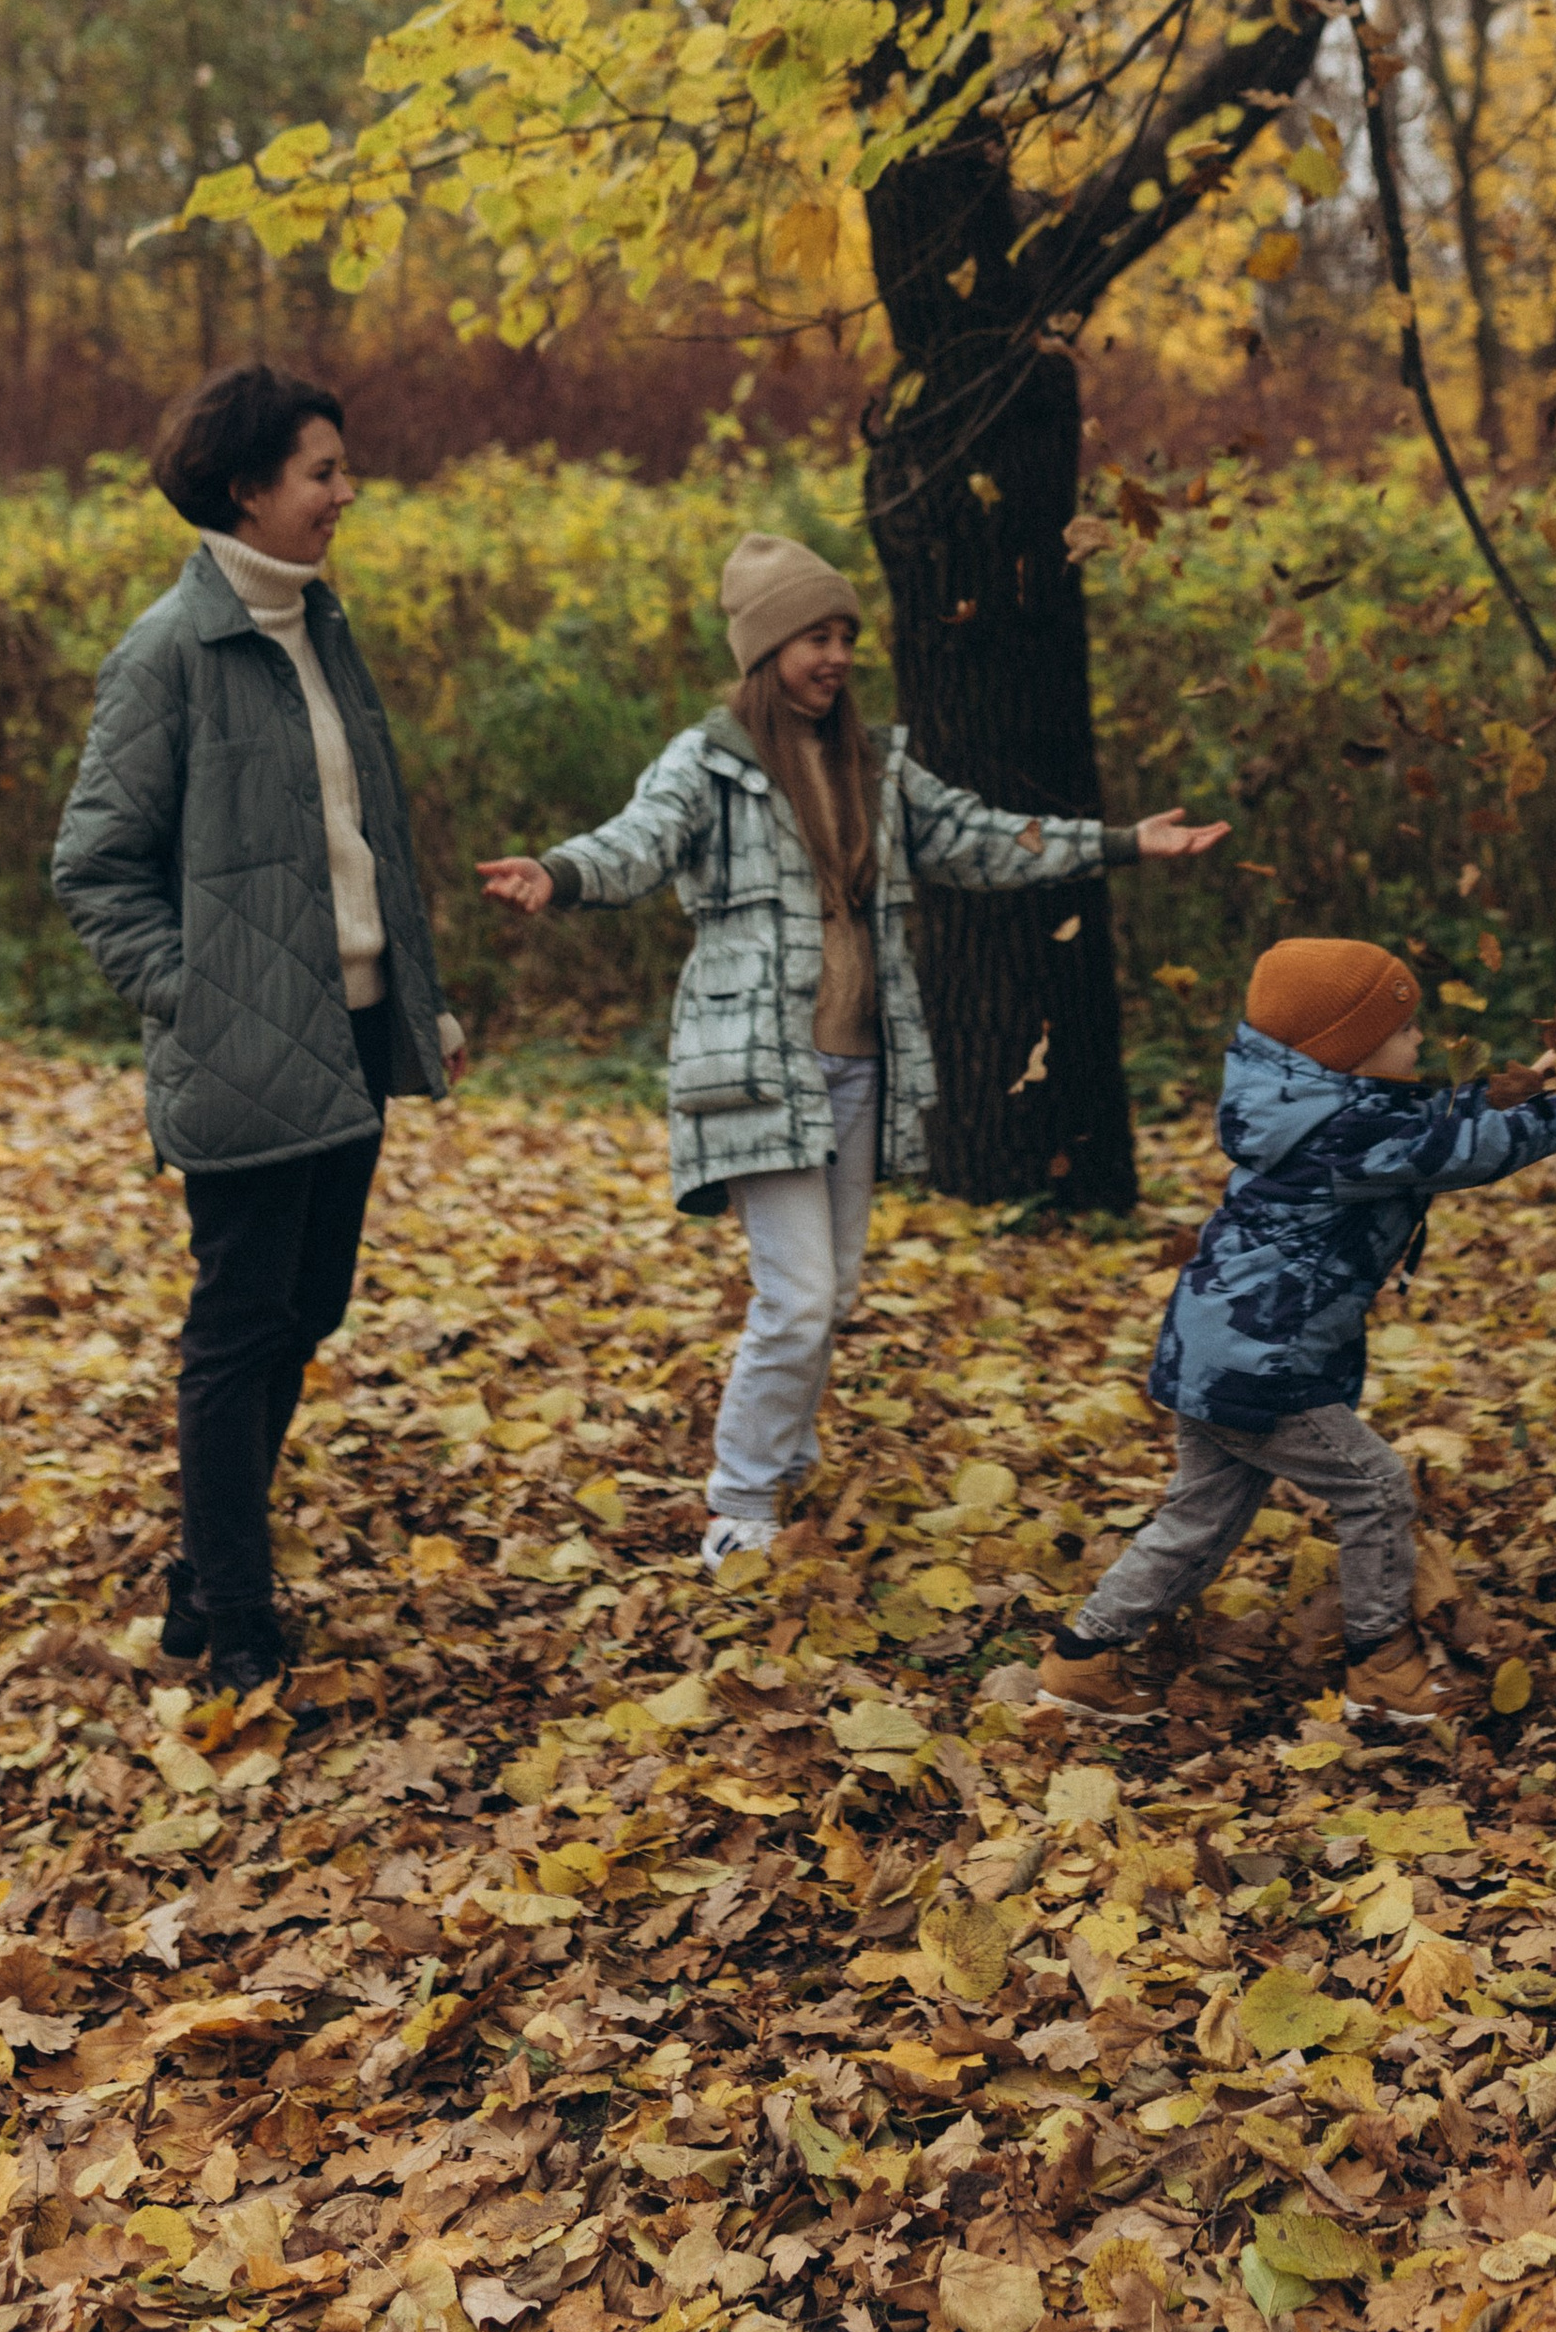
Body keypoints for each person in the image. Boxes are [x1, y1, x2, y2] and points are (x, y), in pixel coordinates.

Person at [477, 533, 1228, 1569]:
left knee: (827, 1292)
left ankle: (784, 1462)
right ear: (762, 648)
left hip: (856, 1065)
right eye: (810, 637)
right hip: (754, 1061)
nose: (832, 655)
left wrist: (1118, 842)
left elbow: (977, 836)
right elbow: (634, 844)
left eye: (842, 636)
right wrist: (557, 875)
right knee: (797, 1298)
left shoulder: (876, 765)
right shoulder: (708, 763)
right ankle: (738, 1504)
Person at [52, 364, 466, 1694]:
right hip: (239, 1052)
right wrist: (201, 994)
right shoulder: (168, 652)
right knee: (240, 1326)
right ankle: (235, 1617)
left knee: (309, 1308)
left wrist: (421, 1001)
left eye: (343, 471)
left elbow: (367, 845)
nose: (348, 493)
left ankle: (196, 1576)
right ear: (249, 489)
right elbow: (95, 869)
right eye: (323, 473)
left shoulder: (321, 630)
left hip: (347, 1036)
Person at [1038, 936, 1556, 1730]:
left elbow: (1420, 1119)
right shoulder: (1343, 1130)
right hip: (1266, 1362)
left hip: (1215, 1349)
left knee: (1199, 1517)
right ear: (1345, 1050)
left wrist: (1515, 1092)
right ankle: (1383, 1666)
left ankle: (1085, 1659)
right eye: (1402, 1033)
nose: (1418, 1041)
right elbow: (1461, 1152)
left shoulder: (1299, 1105)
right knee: (1375, 1487)